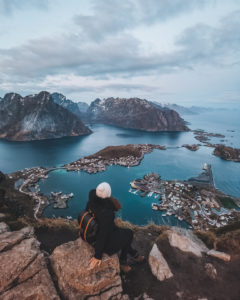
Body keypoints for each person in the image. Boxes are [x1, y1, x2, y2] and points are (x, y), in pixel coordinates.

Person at [86, 182, 144, 272]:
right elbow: (103, 234)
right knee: (128, 234)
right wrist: (97, 255)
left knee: (122, 235)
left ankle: (134, 254)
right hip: (99, 239)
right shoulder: (106, 213)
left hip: (91, 233)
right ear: (108, 195)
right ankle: (123, 262)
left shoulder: (92, 199)